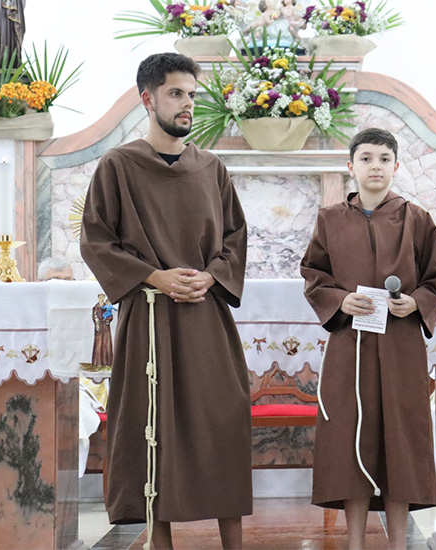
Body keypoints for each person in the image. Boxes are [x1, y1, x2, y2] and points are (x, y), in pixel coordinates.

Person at [80, 53, 252, 549]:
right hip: (149, 318)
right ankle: (161, 544)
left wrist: (212, 276)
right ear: (148, 98)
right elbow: (97, 240)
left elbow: (235, 238)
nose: (187, 105)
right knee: (151, 425)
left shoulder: (211, 168)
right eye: (176, 94)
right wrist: (154, 275)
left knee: (223, 421)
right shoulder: (118, 166)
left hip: (207, 319)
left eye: (192, 95)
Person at [300, 128, 436, 549]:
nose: (375, 166)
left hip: (400, 344)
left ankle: (399, 541)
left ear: (396, 167)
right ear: (351, 167)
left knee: (399, 438)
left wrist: (417, 303)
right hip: (351, 345)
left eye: (384, 159)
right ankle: (355, 541)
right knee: (351, 436)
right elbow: (314, 275)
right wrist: (340, 300)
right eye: (366, 158)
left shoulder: (416, 219)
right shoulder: (329, 219)